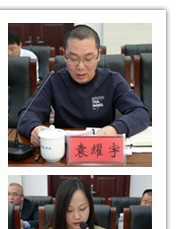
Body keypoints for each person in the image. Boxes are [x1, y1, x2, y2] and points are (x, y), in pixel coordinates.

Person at [17, 25, 150, 147]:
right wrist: (34, 128)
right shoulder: (54, 79)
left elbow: (140, 113)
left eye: (88, 58)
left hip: (102, 147)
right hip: (64, 150)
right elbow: (27, 114)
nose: (80, 67)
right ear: (65, 55)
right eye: (73, 58)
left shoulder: (112, 80)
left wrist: (115, 129)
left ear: (98, 55)